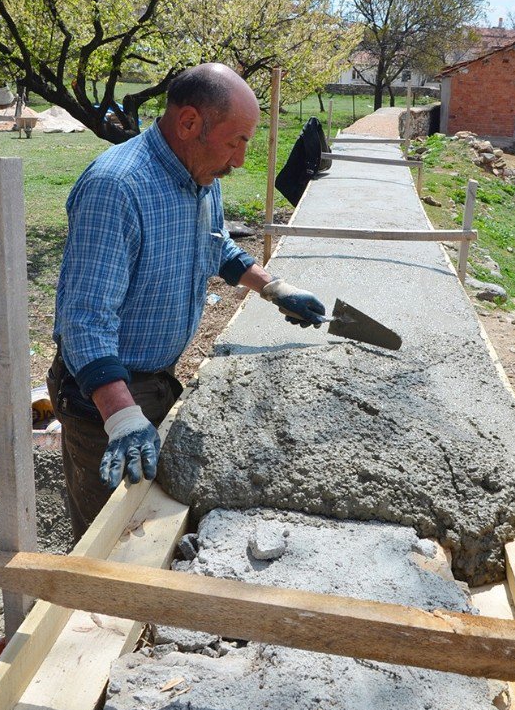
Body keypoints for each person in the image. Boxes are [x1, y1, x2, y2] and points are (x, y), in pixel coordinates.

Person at [48, 63, 325, 541]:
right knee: (110, 543)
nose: (240, 160)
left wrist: (272, 286)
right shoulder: (117, 187)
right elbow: (84, 321)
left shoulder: (200, 175)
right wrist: (122, 417)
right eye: (236, 140)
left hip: (155, 381)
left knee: (155, 526)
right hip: (101, 401)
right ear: (190, 123)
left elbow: (213, 243)